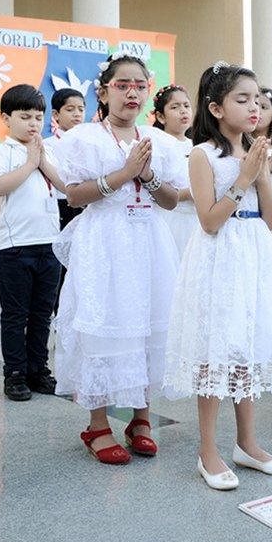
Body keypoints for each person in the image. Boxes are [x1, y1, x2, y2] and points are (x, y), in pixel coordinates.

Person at [163, 62, 272, 490]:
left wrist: (263, 175)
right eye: (242, 99)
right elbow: (209, 221)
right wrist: (243, 178)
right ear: (216, 108)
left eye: (257, 99)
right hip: (220, 255)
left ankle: (248, 443)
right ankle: (208, 450)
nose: (254, 106)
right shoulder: (202, 154)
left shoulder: (257, 151)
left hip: (254, 252)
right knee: (215, 349)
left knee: (247, 346)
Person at [52, 52, 185, 465]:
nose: (132, 93)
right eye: (122, 85)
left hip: (149, 241)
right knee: (105, 325)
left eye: (140, 86)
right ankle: (97, 424)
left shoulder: (160, 141)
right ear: (103, 91)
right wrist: (125, 173)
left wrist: (148, 175)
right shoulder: (83, 139)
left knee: (146, 324)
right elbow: (74, 195)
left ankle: (141, 419)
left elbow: (170, 200)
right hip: (106, 241)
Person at [0, 84, 65, 401]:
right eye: (25, 117)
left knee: (42, 314)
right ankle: (15, 374)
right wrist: (29, 164)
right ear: (6, 118)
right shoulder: (0, 152)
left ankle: (38, 370)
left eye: (38, 117)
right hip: (15, 247)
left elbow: (67, 187)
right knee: (15, 315)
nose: (33, 124)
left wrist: (42, 161)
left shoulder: (48, 152)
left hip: (50, 245)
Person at [152, 84, 199, 258]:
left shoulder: (196, 146)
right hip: (169, 218)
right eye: (175, 107)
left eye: (186, 106)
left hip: (196, 219)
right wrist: (189, 193)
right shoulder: (157, 144)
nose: (183, 111)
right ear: (161, 117)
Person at [43, 88, 86, 229]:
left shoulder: (90, 144)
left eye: (81, 109)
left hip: (87, 203)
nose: (77, 114)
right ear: (56, 114)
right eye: (70, 109)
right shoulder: (47, 146)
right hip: (60, 205)